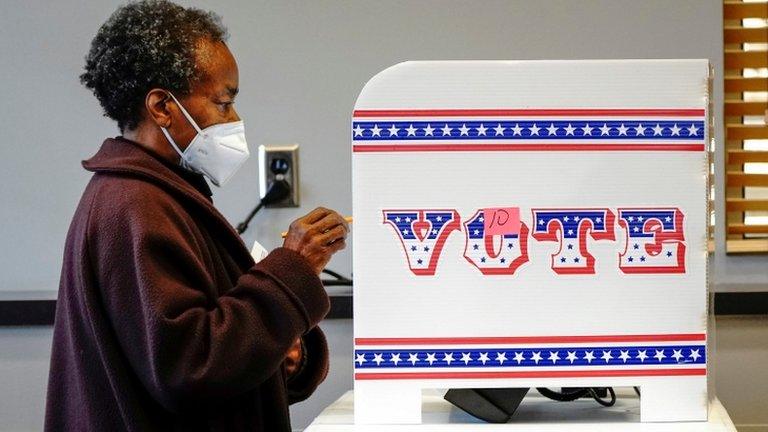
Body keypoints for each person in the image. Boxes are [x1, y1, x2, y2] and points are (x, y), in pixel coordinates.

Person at [44, 1, 348, 431]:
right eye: (223, 103)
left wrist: (284, 348)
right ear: (162, 108)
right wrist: (294, 268)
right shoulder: (134, 206)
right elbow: (190, 367)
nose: (235, 119)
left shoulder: (155, 196)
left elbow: (201, 341)